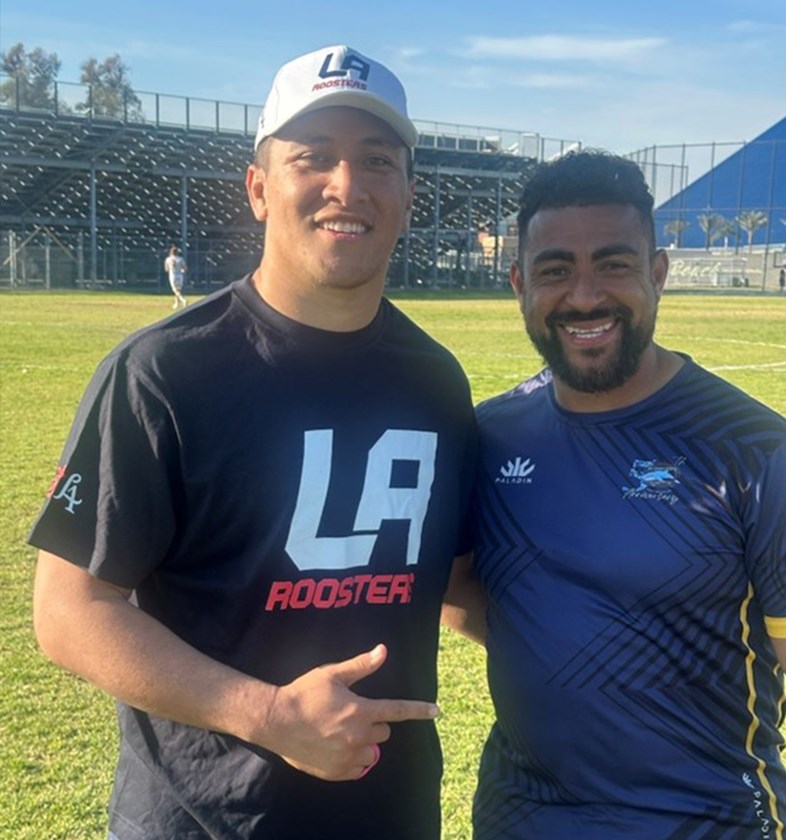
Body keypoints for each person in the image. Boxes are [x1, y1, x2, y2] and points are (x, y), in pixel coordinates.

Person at [30, 44, 477, 840]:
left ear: (409, 195)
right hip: (200, 819)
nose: (348, 185)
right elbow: (70, 610)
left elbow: (457, 583)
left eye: (378, 161)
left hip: (389, 815)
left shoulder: (435, 382)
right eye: (315, 158)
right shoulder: (161, 372)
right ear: (260, 188)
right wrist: (267, 713)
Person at [469, 150, 786, 837]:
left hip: (704, 823)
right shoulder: (490, 437)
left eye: (613, 264)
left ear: (659, 273)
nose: (585, 297)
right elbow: (470, 598)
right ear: (520, 282)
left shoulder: (755, 452)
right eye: (556, 270)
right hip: (517, 819)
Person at [164, 244, 188, 308]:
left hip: (173, 275)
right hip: (180, 276)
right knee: (178, 290)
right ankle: (177, 304)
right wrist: (181, 270)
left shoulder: (168, 259)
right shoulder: (180, 259)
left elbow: (166, 269)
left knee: (176, 290)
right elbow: (185, 268)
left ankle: (183, 299)